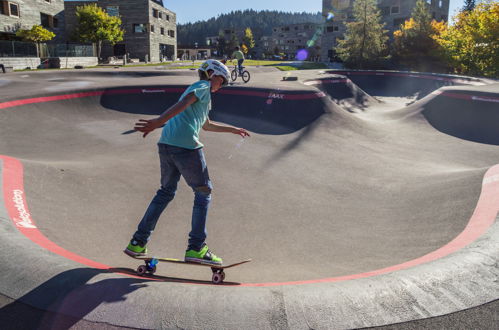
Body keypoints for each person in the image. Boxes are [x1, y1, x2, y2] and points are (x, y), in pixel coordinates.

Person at [124, 59, 250, 265]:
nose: (221, 86)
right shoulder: (203, 86)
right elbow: (182, 104)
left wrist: (233, 129)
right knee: (203, 191)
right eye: (222, 81)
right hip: (185, 146)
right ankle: (196, 248)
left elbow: (207, 125)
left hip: (166, 144)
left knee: (165, 192)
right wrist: (157, 121)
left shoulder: (202, 95)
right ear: (211, 74)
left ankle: (138, 242)